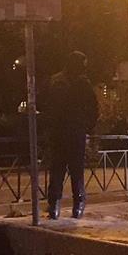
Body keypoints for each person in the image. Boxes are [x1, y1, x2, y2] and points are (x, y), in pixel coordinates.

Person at [43, 51, 99, 220]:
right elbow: (94, 108)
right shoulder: (82, 83)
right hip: (74, 133)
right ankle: (77, 205)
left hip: (59, 132)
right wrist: (86, 127)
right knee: (76, 171)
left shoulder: (56, 81)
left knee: (57, 171)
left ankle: (54, 206)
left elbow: (45, 105)